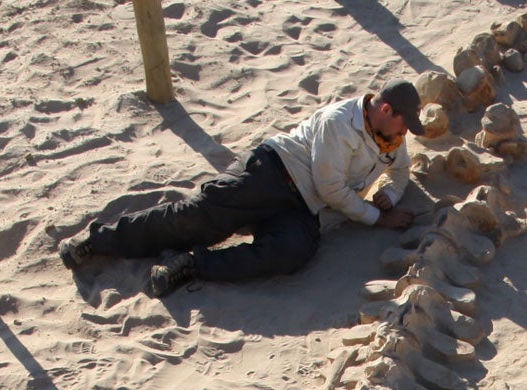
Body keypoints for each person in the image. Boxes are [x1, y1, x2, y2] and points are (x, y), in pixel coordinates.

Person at [59, 83, 426, 298]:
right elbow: (331, 188)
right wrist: (379, 218)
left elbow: (402, 170)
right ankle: (98, 242)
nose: (406, 132)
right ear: (386, 109)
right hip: (275, 173)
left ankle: (191, 265)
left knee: (291, 255)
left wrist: (389, 195)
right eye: (404, 122)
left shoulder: (390, 137)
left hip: (305, 208)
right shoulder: (339, 124)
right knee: (201, 217)